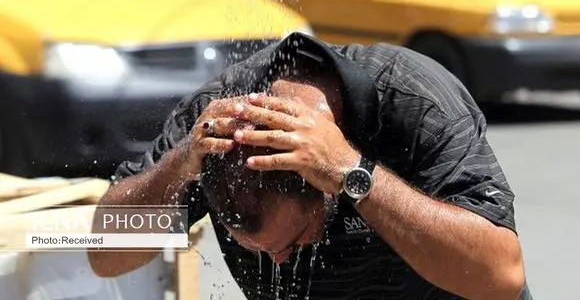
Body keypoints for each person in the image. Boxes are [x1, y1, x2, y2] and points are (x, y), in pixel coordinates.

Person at [88, 32, 532, 300]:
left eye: (293, 243)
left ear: (319, 184)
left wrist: (352, 173)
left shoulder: (414, 100)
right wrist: (178, 165)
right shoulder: (216, 128)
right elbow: (104, 256)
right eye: (256, 251)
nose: (276, 262)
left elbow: (501, 277)